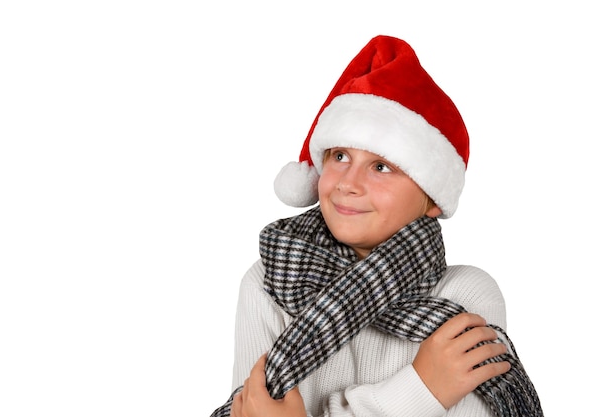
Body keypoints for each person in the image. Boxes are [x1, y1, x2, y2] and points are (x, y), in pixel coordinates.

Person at [211, 35, 542, 417]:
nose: (347, 183)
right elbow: (247, 409)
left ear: (433, 197)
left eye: (381, 166)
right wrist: (421, 390)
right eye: (339, 156)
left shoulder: (465, 293)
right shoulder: (269, 282)